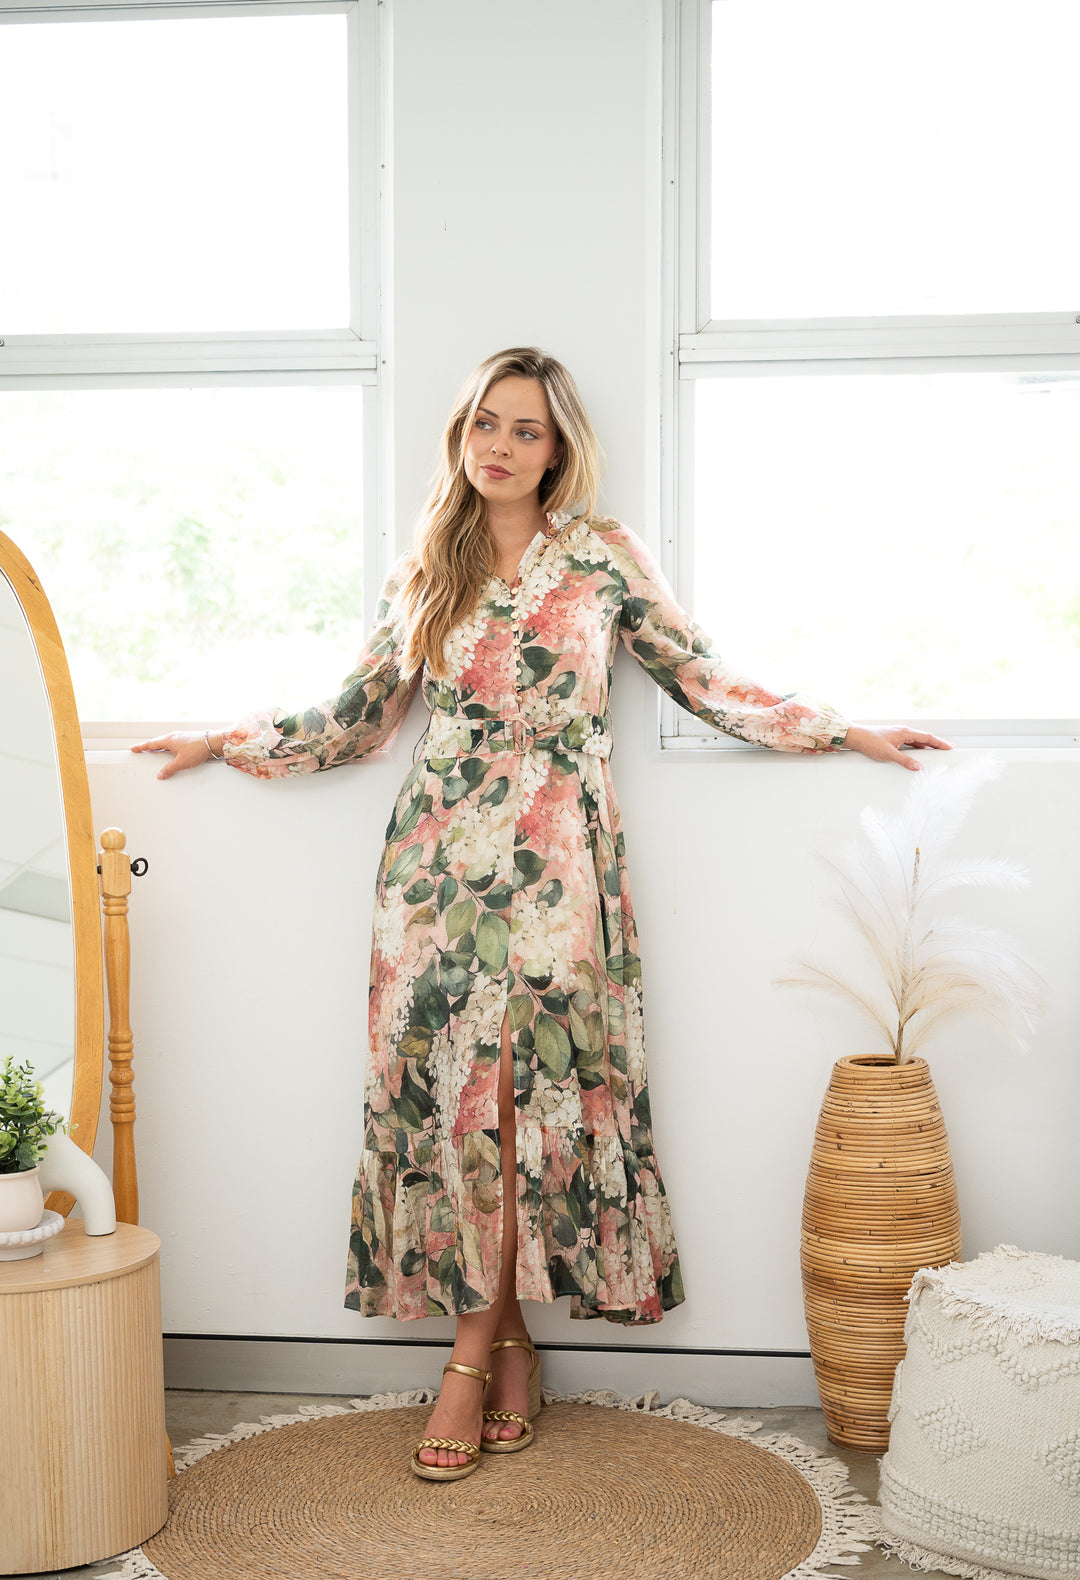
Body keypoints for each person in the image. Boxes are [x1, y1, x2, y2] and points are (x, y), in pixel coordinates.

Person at [132, 346, 952, 1482]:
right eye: (484, 424)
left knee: (532, 1094)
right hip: (434, 868)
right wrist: (226, 740)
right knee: (455, 1099)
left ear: (557, 447)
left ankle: (466, 1357)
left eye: (524, 428)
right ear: (462, 438)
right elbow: (364, 711)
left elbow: (705, 676)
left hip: (563, 852)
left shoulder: (603, 557)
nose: (500, 446)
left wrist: (843, 728)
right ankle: (504, 1339)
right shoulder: (428, 565)